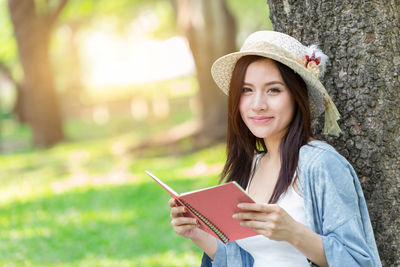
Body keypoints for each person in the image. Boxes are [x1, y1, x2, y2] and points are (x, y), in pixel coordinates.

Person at [168, 31, 381, 266]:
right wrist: (198, 234)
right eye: (247, 90)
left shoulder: (320, 164)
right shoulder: (252, 166)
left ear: (297, 97)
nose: (258, 104)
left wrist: (293, 232)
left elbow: (359, 261)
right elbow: (254, 259)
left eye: (274, 90)